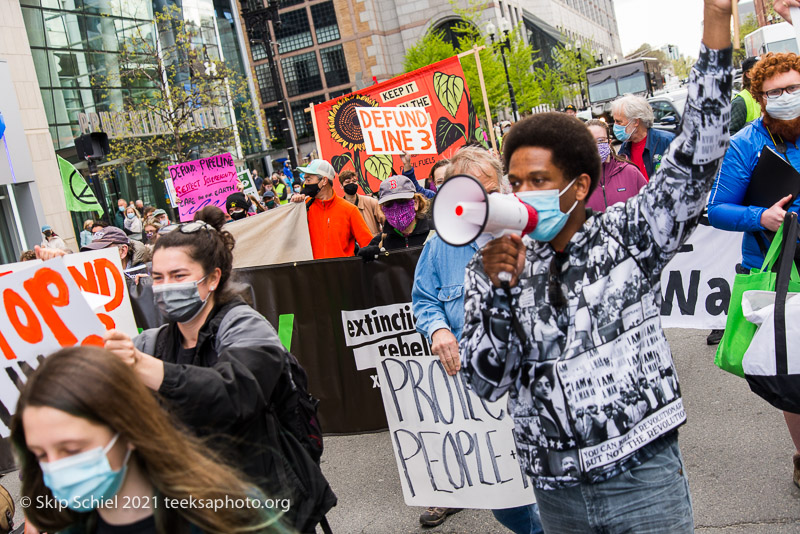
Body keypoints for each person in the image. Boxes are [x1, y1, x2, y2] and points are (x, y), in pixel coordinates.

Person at [461, 3, 732, 529]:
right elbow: (486, 382)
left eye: (538, 181)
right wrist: (499, 294)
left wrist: (716, 24)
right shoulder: (489, 267)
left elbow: (697, 155)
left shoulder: (629, 234)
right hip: (557, 495)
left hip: (644, 480)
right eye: (515, 183)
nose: (522, 194)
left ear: (579, 186)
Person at [102, 207, 336, 531]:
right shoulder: (152, 344)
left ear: (212, 278)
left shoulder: (247, 327)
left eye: (179, 276)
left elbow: (235, 392)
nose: (165, 286)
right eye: (158, 277)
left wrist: (145, 368)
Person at [11, 346, 290, 534]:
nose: (56, 468)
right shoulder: (69, 525)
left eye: (71, 449)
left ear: (128, 429)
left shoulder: (228, 514)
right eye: (41, 455)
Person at [411, 145, 543, 533]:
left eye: (488, 187)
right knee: (504, 501)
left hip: (534, 384)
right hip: (479, 397)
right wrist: (437, 329)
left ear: (502, 185)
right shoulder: (439, 246)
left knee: (551, 488)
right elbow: (425, 300)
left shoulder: (533, 231)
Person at [708, 50, 800, 488]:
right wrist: (759, 217)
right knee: (794, 369)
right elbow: (717, 209)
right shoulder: (747, 142)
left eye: (793, 88)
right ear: (761, 98)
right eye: (775, 92)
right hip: (780, 268)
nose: (785, 97)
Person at [289, 159, 373, 259]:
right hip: (313, 272)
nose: (305, 184)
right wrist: (293, 207)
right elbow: (289, 238)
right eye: (305, 180)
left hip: (344, 272)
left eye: (308, 180)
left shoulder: (350, 210)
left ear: (324, 181)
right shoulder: (304, 207)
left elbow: (368, 245)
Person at [358, 175, 430, 259]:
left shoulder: (432, 234)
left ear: (416, 203)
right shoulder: (381, 242)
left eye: (401, 201)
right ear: (382, 209)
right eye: (389, 204)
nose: (396, 207)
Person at [585, 119, 648, 211]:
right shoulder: (577, 180)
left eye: (601, 140)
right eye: (590, 141)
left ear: (609, 142)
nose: (596, 145)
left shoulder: (630, 172)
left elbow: (650, 207)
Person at [613, 94, 676, 181]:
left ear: (635, 121)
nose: (615, 125)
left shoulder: (667, 141)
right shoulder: (624, 149)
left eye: (619, 122)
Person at [81, 226, 150, 276]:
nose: (97, 257)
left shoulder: (147, 273)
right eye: (94, 252)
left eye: (103, 251)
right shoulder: (97, 278)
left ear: (123, 251)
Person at [339, 169, 384, 236]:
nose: (351, 184)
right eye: (347, 182)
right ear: (341, 186)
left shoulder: (371, 202)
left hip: (371, 244)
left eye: (354, 181)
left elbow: (385, 221)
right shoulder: (339, 207)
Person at [731, 56, 763, 135]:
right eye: (759, 69)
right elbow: (729, 134)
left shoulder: (767, 96)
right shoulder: (740, 102)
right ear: (748, 74)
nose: (764, 72)